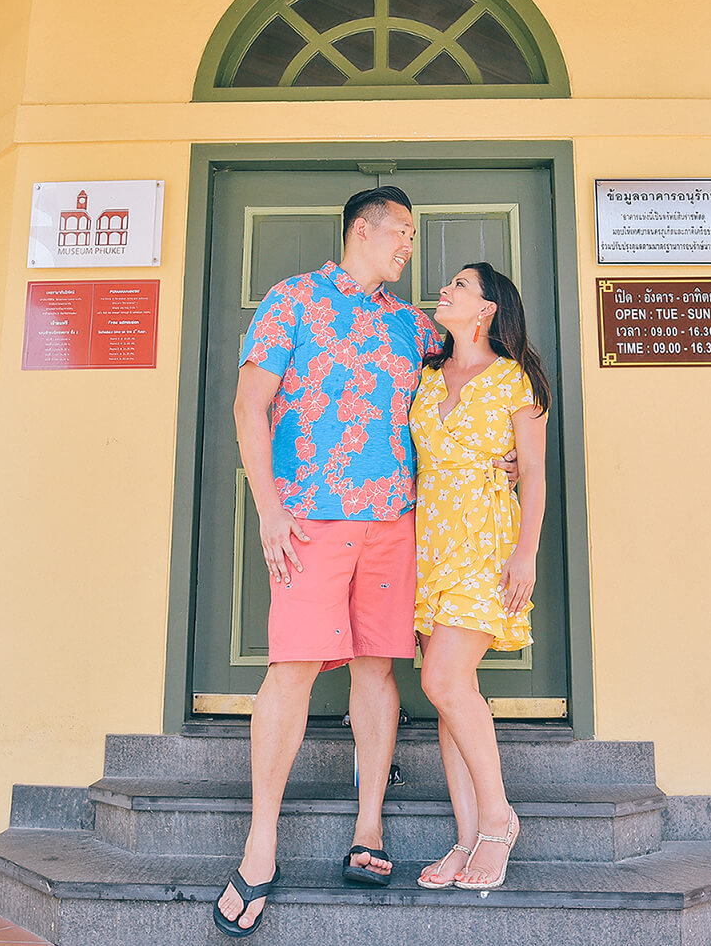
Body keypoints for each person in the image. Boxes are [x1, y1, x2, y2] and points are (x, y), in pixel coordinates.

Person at [213, 185, 443, 938]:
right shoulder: (295, 301)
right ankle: (261, 842)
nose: (409, 245)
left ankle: (369, 825)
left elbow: (477, 363)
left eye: (411, 233)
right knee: (292, 669)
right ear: (363, 230)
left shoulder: (413, 326)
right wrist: (268, 508)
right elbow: (250, 407)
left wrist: (504, 451)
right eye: (401, 231)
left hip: (393, 522)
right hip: (310, 518)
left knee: (380, 667)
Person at [410, 262, 551, 893]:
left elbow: (537, 476)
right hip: (430, 546)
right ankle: (467, 838)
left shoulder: (514, 381)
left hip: (485, 543)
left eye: (460, 286)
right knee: (449, 689)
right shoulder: (428, 374)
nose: (446, 290)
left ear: (487, 308)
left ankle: (498, 821)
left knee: (442, 678)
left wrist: (525, 555)